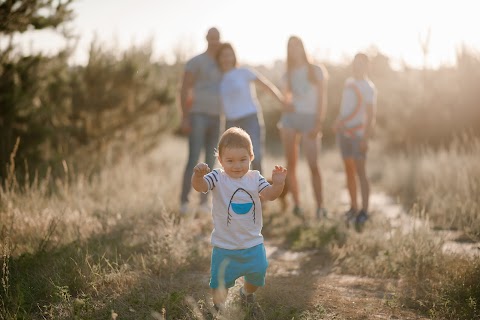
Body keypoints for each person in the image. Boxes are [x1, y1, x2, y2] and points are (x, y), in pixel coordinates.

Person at [191, 127, 287, 316]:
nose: (237, 166)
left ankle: (246, 294)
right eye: (230, 161)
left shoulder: (254, 178)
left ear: (251, 156)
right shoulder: (217, 177)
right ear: (220, 160)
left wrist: (278, 184)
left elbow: (269, 195)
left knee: (257, 274)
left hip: (252, 244)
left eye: (243, 160)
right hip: (224, 246)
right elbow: (200, 187)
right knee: (220, 285)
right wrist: (198, 176)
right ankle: (218, 308)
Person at [278, 35, 328, 219]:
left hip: (310, 119)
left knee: (313, 164)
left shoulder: (316, 70)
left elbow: (322, 97)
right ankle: (297, 204)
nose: (294, 49)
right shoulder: (287, 74)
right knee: (290, 164)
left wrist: (318, 122)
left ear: (302, 47)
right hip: (290, 119)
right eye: (290, 46)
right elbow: (285, 100)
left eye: (297, 45)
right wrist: (286, 105)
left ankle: (321, 207)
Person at [216, 42, 285, 174]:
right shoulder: (218, 78)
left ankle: (260, 193)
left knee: (256, 157)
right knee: (230, 160)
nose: (226, 58)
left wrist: (281, 101)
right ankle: (237, 192)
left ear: (234, 57)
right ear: (219, 58)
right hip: (230, 122)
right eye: (223, 56)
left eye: (229, 55)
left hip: (250, 118)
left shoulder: (244, 72)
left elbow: (265, 85)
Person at [178, 27, 223, 216]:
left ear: (220, 39)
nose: (214, 41)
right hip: (197, 115)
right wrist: (185, 116)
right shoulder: (195, 62)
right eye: (211, 38)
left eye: (217, 38)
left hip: (216, 116)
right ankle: (184, 202)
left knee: (211, 161)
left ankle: (205, 203)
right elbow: (184, 88)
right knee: (193, 158)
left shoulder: (222, 63)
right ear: (206, 38)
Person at [334, 52, 377, 229]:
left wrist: (365, 138)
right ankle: (353, 207)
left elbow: (371, 115)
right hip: (343, 134)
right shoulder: (348, 83)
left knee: (361, 172)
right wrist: (338, 121)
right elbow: (346, 107)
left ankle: (364, 211)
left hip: (358, 135)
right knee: (349, 171)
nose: (357, 66)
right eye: (355, 63)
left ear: (367, 66)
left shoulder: (369, 87)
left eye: (361, 63)